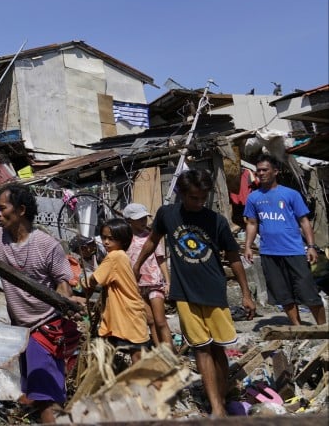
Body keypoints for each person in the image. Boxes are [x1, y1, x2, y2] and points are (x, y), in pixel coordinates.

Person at [132, 169, 256, 418]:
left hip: (214, 291)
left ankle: (221, 396)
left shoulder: (216, 220)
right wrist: (135, 266)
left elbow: (234, 258)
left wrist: (246, 293)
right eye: (193, 198)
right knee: (201, 348)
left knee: (219, 349)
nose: (199, 203)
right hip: (185, 294)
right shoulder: (167, 214)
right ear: (181, 194)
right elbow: (152, 241)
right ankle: (217, 407)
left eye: (202, 198)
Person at [0, 184, 79, 423]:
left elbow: (64, 283)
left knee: (46, 398)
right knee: (44, 393)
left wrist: (66, 301)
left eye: (2, 208)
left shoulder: (46, 244)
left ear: (21, 210)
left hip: (46, 327)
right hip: (23, 331)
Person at [242, 154, 326, 325]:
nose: (260, 173)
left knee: (308, 292)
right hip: (269, 253)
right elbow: (252, 223)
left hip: (293, 251)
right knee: (283, 294)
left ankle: (323, 328)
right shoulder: (253, 197)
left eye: (265, 170)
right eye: (258, 170)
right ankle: (298, 328)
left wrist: (310, 246)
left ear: (275, 171)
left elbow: (304, 221)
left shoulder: (290, 194)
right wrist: (248, 247)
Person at [82, 218, 150, 362]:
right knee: (133, 354)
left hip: (128, 314)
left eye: (111, 239)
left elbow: (94, 279)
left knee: (137, 357)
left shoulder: (114, 256)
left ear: (123, 240)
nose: (106, 242)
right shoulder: (121, 256)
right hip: (128, 312)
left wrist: (83, 282)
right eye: (104, 237)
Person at [123, 202, 173, 349]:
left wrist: (167, 281)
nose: (143, 222)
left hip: (154, 283)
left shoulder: (152, 237)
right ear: (129, 221)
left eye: (144, 218)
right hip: (137, 285)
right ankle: (160, 351)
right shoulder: (125, 240)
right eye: (139, 219)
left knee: (160, 320)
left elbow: (160, 259)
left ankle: (170, 353)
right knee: (150, 321)